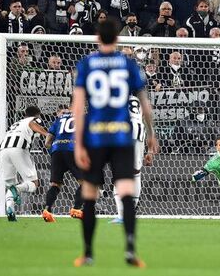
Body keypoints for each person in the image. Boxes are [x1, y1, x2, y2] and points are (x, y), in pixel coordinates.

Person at [71, 17, 158, 267]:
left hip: (96, 138)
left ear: (98, 37)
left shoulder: (87, 63)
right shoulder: (127, 64)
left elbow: (78, 107)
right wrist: (151, 134)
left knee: (90, 196)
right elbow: (145, 105)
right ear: (117, 39)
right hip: (122, 137)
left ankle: (87, 253)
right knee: (127, 194)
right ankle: (130, 250)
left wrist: (78, 144)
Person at [0, 106, 48, 222]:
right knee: (34, 184)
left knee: (10, 185)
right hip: (19, 148)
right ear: (38, 115)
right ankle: (17, 189)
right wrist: (46, 134)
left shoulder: (16, 123)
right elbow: (33, 124)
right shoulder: (33, 120)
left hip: (3, 150)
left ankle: (10, 210)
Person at [42, 105, 83, 223]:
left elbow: (47, 142)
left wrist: (53, 152)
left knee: (55, 184)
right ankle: (76, 209)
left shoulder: (59, 119)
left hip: (57, 151)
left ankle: (47, 210)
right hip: (72, 150)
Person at [111, 95, 146, 224]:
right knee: (136, 172)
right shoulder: (138, 98)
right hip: (138, 129)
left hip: (122, 128)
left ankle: (121, 215)